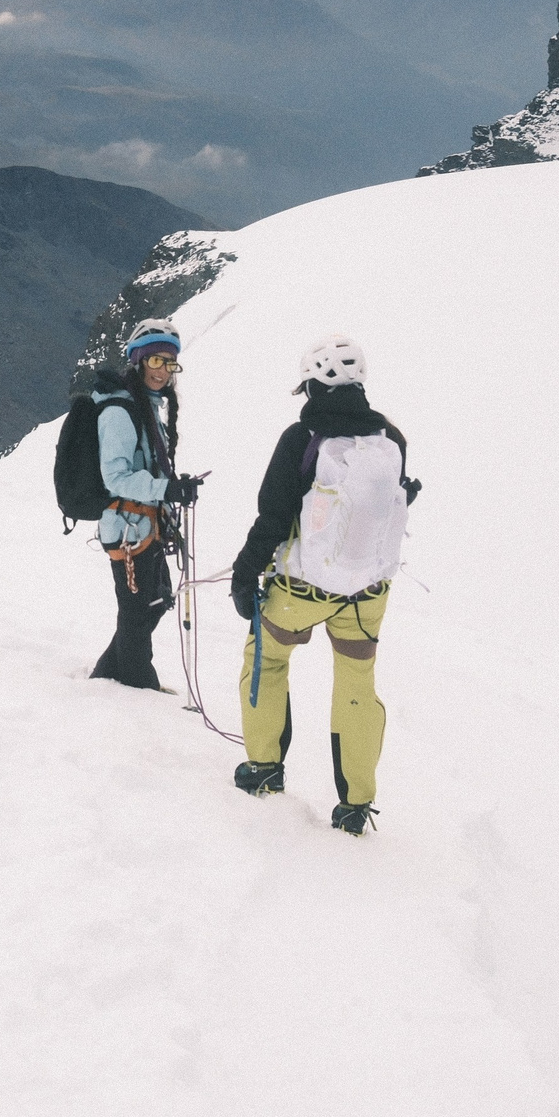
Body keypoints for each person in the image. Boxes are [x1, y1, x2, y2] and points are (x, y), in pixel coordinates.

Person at [226, 334, 418, 835]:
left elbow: (273, 517)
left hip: (303, 590)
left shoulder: (302, 439)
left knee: (266, 660)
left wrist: (245, 573)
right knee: (356, 684)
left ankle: (264, 770)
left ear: (313, 383)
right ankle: (356, 805)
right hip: (369, 593)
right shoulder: (390, 439)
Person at [87, 318, 198, 690]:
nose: (163, 370)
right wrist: (166, 490)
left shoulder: (143, 405)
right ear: (138, 361)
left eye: (169, 362)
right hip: (128, 529)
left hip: (140, 525)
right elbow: (114, 477)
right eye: (155, 361)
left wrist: (169, 490)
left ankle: (105, 678)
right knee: (137, 614)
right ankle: (139, 689)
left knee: (151, 603)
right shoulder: (121, 412)